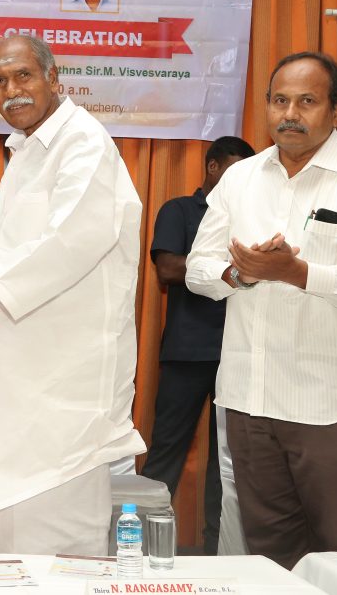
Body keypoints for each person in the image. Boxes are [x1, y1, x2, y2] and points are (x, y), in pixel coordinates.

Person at [0, 34, 146, 558]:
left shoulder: (83, 143)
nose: (11, 90)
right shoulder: (25, 150)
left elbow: (63, 249)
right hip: (13, 380)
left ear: (53, 78)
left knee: (51, 536)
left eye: (23, 76)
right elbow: (7, 252)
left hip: (60, 386)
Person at [186, 51, 337, 569]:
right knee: (270, 558)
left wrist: (299, 273)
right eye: (279, 100)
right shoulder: (240, 179)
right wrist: (242, 274)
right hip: (250, 398)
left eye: (307, 101)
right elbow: (198, 268)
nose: (289, 114)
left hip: (335, 403)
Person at [140, 135, 255, 556]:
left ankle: (216, 553)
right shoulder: (179, 210)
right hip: (188, 352)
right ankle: (143, 548)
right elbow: (168, 268)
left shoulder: (250, 217)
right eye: (234, 170)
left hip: (239, 353)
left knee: (227, 463)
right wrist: (226, 265)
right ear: (212, 167)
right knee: (167, 452)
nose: (241, 180)